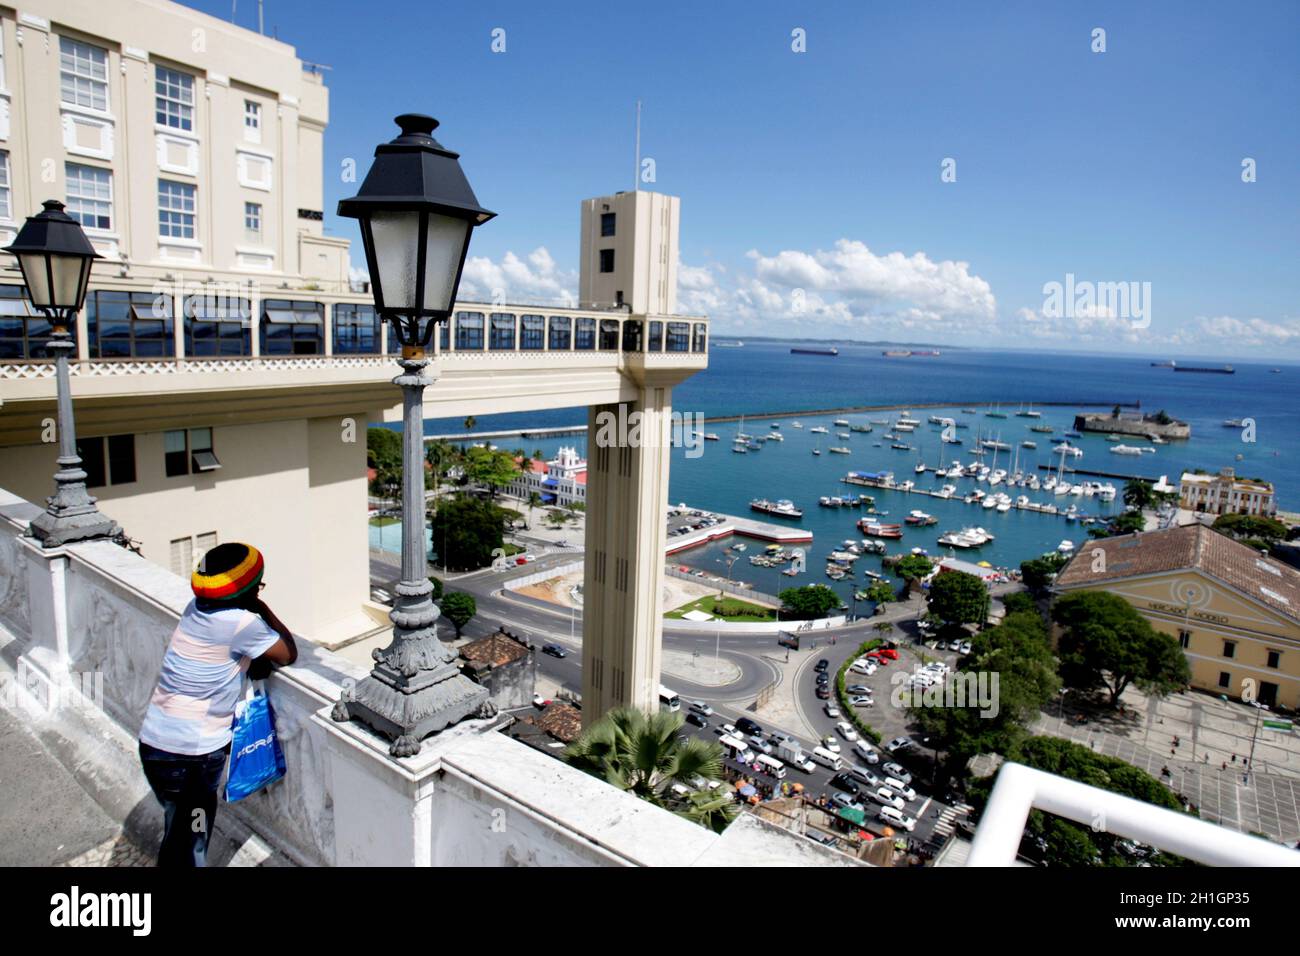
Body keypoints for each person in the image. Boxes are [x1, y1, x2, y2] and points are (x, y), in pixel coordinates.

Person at [137, 543, 297, 867]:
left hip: (154, 745)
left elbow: (220, 659)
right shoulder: (242, 625)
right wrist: (261, 607)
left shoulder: (193, 609)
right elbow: (287, 652)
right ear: (250, 591)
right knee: (194, 839)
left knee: (178, 833)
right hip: (193, 758)